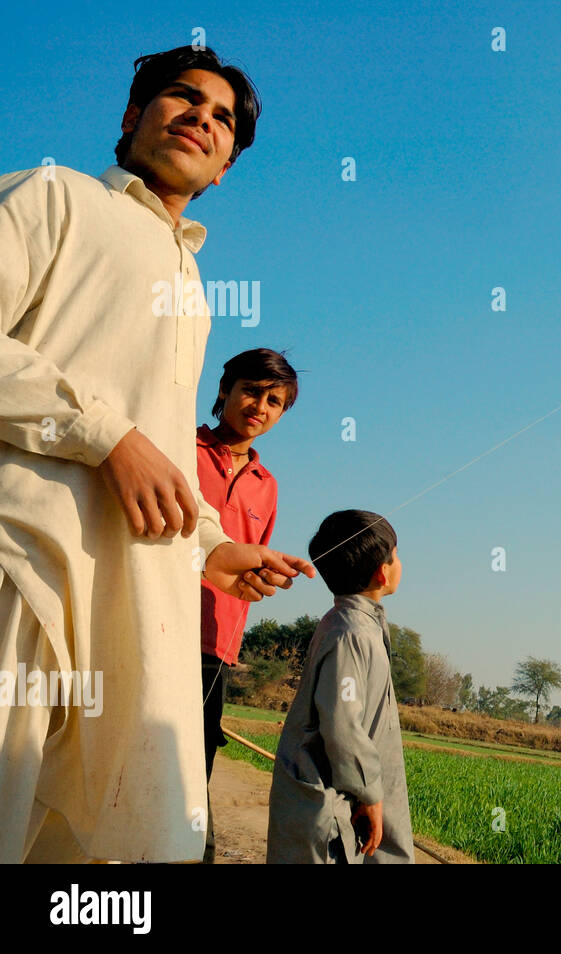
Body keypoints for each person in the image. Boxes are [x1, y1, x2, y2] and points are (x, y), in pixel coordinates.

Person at [0, 46, 313, 863]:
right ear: (132, 117)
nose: (202, 120)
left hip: (133, 606)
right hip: (24, 565)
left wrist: (212, 549)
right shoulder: (54, 195)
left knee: (91, 850)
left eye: (224, 122)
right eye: (183, 98)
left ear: (224, 170)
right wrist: (103, 436)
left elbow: (162, 444)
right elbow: (127, 435)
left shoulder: (190, 282)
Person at [196, 348, 299, 862]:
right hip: (156, 625)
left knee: (196, 761)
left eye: (275, 400)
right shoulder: (179, 447)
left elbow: (248, 566)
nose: (261, 405)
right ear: (224, 391)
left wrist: (267, 576)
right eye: (252, 391)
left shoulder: (267, 485)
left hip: (216, 646)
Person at [267, 510, 414, 864]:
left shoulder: (355, 624)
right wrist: (369, 794)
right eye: (396, 554)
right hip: (332, 805)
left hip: (346, 799)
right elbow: (342, 725)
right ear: (383, 571)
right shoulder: (352, 634)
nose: (401, 562)